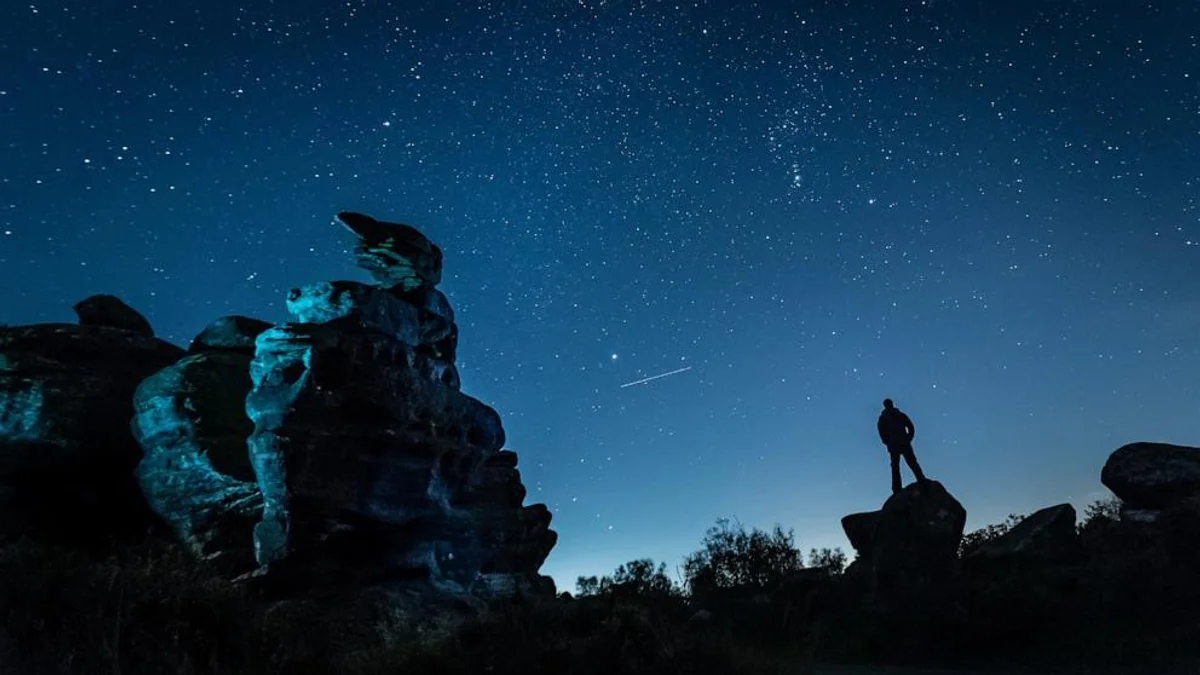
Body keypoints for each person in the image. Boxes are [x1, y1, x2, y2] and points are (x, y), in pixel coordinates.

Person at [877, 398, 929, 494]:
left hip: (902, 442)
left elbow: (910, 426)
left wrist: (908, 438)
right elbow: (881, 431)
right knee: (896, 466)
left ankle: (921, 479)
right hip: (895, 444)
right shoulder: (884, 418)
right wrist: (887, 441)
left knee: (910, 462)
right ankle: (897, 488)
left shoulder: (899, 415)